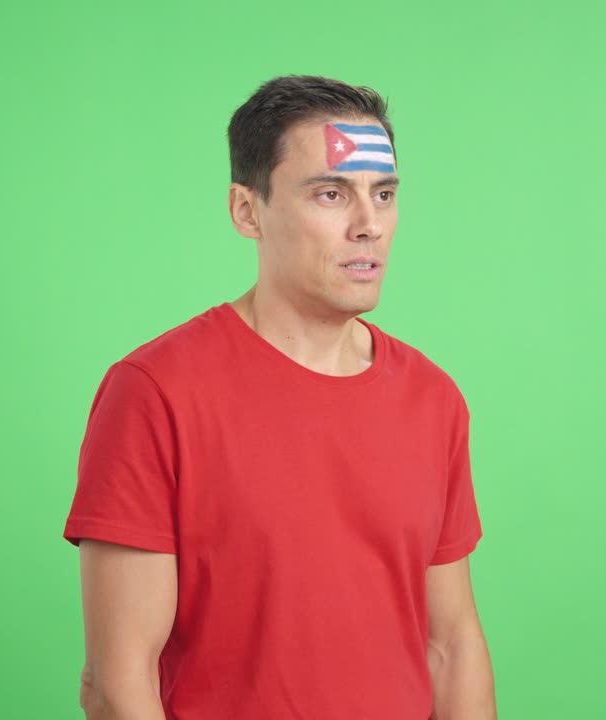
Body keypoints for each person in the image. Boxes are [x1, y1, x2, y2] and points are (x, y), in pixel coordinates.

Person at [62, 74, 496, 719]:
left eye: (384, 194)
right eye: (331, 193)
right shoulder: (155, 392)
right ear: (247, 211)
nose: (368, 225)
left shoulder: (433, 399)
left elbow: (450, 644)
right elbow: (120, 680)